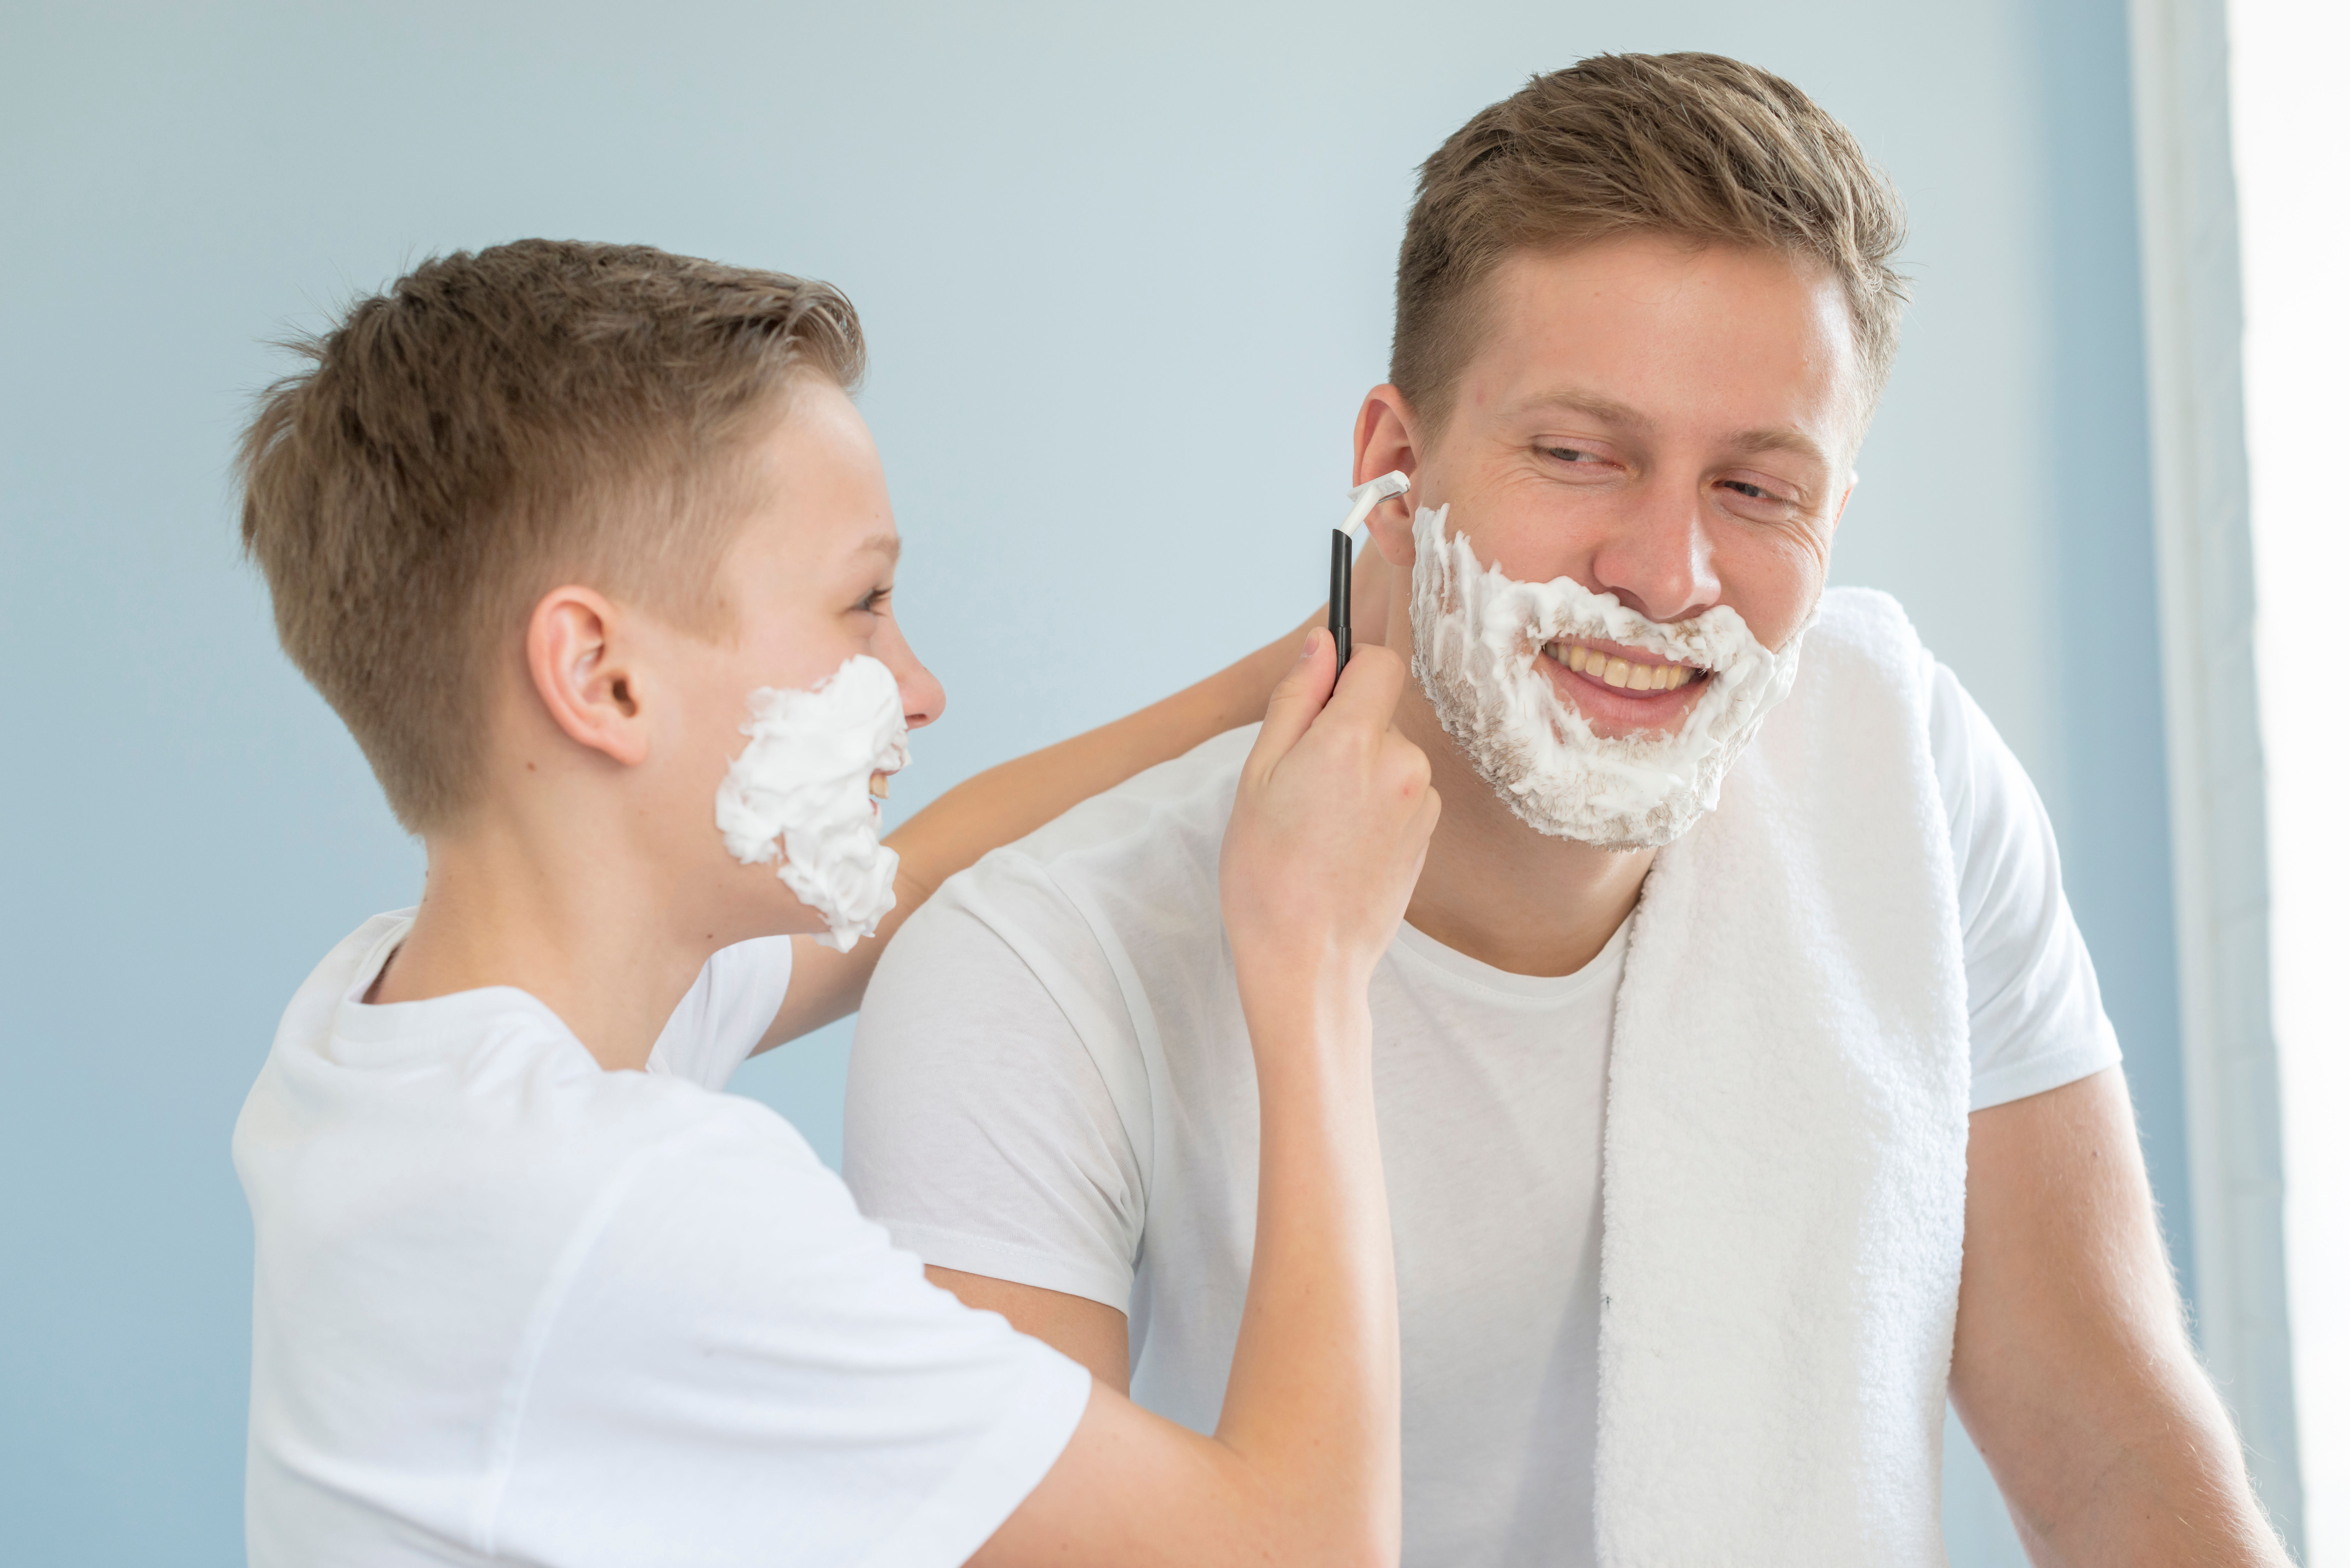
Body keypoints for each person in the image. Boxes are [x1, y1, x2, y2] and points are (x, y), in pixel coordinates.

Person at [843, 53, 2294, 1566]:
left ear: (1836, 512)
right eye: (1578, 455)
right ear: (1393, 467)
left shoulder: (1905, 785)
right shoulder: (1039, 969)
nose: (1667, 576)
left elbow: (2116, 1450)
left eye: (1758, 489)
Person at [231, 238, 1437, 1567]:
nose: (919, 687)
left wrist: (1297, 664)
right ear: (604, 680)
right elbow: (1303, 1549)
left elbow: (913, 874)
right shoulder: (626, 1206)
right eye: (861, 606)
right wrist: (1313, 961)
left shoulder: (387, 1032)